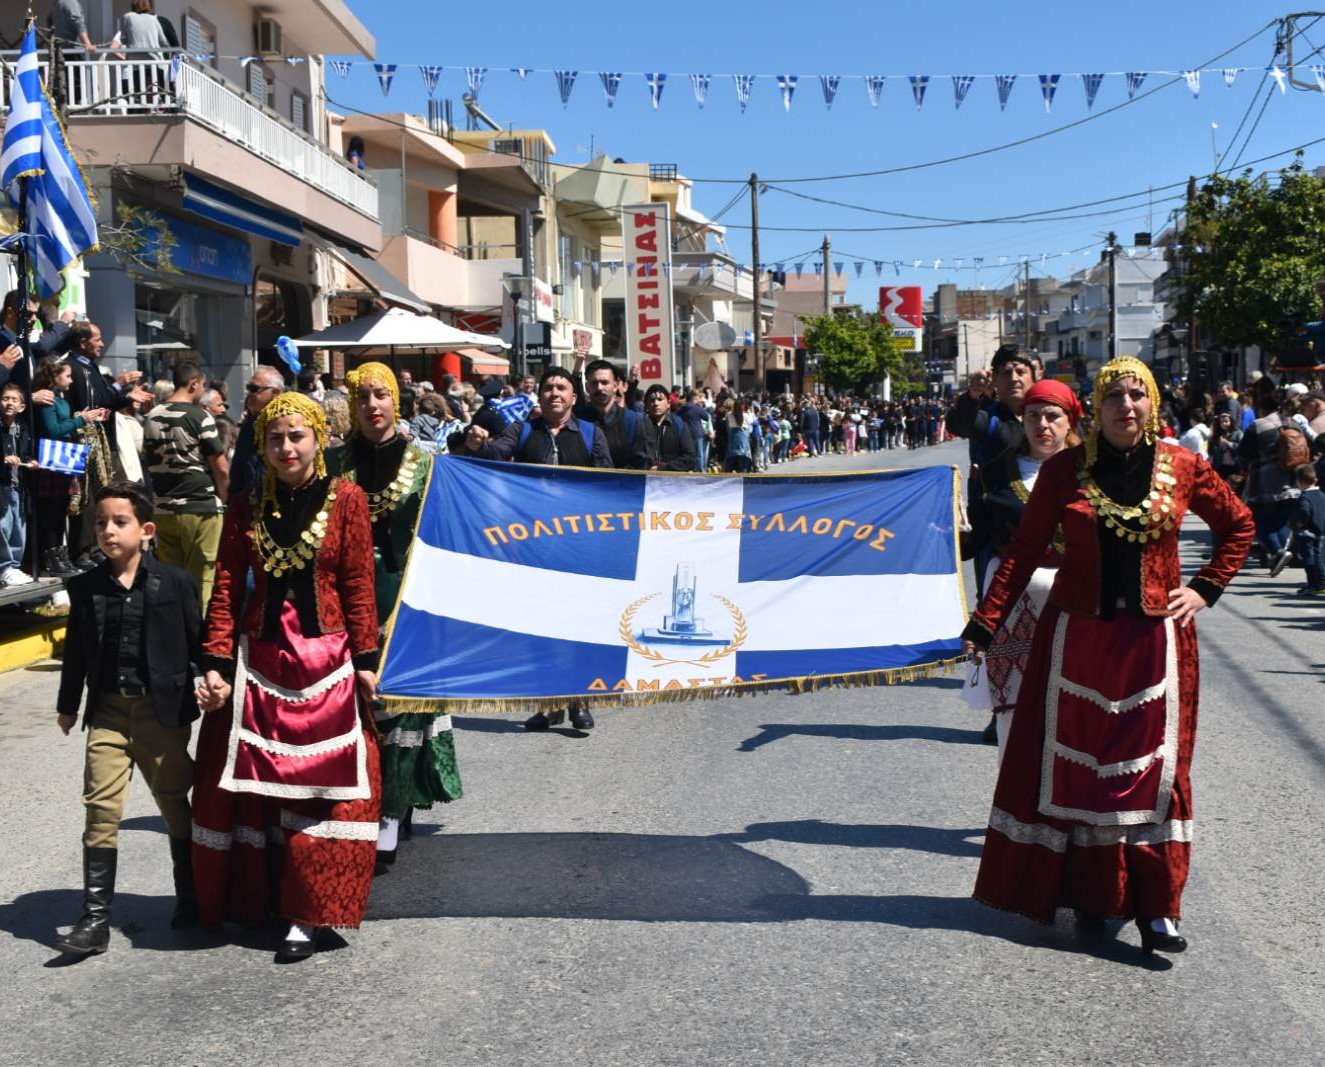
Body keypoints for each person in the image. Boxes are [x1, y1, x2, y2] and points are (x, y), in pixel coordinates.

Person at [961, 357, 1253, 958]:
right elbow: (1022, 551)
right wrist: (985, 623)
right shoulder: (1065, 471)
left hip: (1155, 644)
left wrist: (1205, 588)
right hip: (1077, 640)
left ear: (1153, 403)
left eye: (1137, 395)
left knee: (1155, 771)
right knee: (1081, 770)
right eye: (1115, 396)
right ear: (1097, 408)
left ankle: (1159, 907)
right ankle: (1091, 892)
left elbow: (1240, 525)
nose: (1127, 405)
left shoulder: (1183, 465)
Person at [192, 393, 380, 962]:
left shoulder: (347, 499)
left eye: (297, 436)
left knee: (324, 794)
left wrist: (366, 661)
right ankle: (260, 900)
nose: (286, 447)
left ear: (318, 439)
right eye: (275, 438)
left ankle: (308, 912)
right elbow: (227, 586)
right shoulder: (245, 504)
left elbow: (358, 583)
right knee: (254, 791)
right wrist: (216, 662)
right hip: (261, 659)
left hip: (328, 663)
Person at [54, 481, 203, 956]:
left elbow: (196, 643)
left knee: (173, 801)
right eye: (101, 523)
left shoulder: (176, 583)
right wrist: (68, 704)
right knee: (100, 807)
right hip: (109, 712)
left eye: (120, 522)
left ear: (147, 530)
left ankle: (191, 896)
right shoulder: (85, 587)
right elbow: (77, 652)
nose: (108, 531)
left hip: (161, 713)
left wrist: (208, 680)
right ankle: (95, 919)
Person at [328, 363, 462, 873]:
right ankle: (358, 801)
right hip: (346, 597)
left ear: (396, 402)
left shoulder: (424, 464)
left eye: (380, 395)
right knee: (354, 703)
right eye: (362, 396)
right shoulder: (333, 462)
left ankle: (393, 808)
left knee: (399, 703)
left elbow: (443, 533)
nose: (372, 405)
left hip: (406, 594)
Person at [459, 367, 610, 731]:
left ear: (574, 397)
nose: (554, 393)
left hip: (579, 548)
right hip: (532, 548)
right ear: (539, 396)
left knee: (578, 625)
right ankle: (549, 703)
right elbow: (495, 454)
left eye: (562, 387)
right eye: (548, 388)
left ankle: (578, 699)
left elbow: (610, 484)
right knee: (538, 626)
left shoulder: (591, 434)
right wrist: (477, 443)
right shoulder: (523, 430)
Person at [963, 379, 1080, 762]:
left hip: (1075, 599)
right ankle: (1015, 796)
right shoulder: (995, 472)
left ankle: (1063, 793)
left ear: (1070, 420)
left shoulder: (1091, 473)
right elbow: (974, 541)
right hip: (1011, 598)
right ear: (1022, 420)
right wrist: (945, 532)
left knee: (1073, 702)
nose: (1042, 425)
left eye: (1052, 416)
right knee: (1013, 707)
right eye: (1033, 416)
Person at [142, 361, 229, 610]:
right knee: (202, 579)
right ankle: (197, 629)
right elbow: (221, 467)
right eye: (202, 385)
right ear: (193, 384)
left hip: (163, 509)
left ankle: (174, 626)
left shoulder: (152, 416)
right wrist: (225, 498)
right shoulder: (200, 416)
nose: (202, 390)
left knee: (170, 579)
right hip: (199, 507)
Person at [33, 356, 108, 578]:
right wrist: (81, 420)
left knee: (61, 511)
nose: (71, 380)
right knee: (52, 512)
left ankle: (61, 555)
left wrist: (84, 420)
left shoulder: (61, 400)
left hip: (65, 459)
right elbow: (53, 429)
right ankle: (50, 557)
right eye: (67, 376)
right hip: (52, 462)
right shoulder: (48, 401)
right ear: (54, 377)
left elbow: (65, 426)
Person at [1, 382, 39, 586]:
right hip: (2, 486)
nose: (9, 403)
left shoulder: (22, 428)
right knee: (3, 526)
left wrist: (30, 461)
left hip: (19, 486)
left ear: (22, 406)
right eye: (5, 398)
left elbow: (25, 454)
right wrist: (3, 459)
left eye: (14, 400)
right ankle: (4, 567)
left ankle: (14, 567)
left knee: (18, 526)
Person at [228, 365, 285, 500]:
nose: (249, 394)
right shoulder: (248, 427)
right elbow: (237, 472)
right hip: (251, 504)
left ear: (275, 393)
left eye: (254, 389)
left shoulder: (290, 424)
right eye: (248, 388)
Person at [577, 359, 646, 469]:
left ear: (615, 385)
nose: (599, 388)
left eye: (605, 382)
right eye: (594, 383)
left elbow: (639, 462)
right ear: (587, 386)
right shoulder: (578, 420)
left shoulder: (632, 421)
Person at [639, 383, 697, 471]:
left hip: (672, 478)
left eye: (660, 399)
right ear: (646, 404)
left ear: (668, 403)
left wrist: (664, 468)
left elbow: (690, 458)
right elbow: (634, 456)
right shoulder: (639, 425)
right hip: (645, 477)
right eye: (652, 400)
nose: (656, 403)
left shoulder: (679, 424)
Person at [1289, 463, 1324, 596]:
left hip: (1308, 533)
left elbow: (1304, 511)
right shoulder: (1321, 495)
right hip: (1321, 532)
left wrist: (1299, 523)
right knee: (1319, 557)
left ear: (1299, 481)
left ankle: (1316, 584)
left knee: (1309, 558)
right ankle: (1317, 583)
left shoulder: (1305, 497)